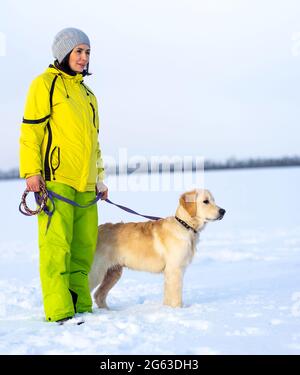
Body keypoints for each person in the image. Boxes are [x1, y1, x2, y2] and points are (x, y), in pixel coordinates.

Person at [19, 27, 108, 324]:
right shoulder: (44, 85)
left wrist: (99, 178)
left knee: (83, 249)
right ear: (64, 53)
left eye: (87, 52)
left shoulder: (88, 94)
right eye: (78, 51)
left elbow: (94, 143)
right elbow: (31, 132)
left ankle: (81, 306)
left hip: (85, 184)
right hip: (55, 181)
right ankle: (59, 312)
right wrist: (32, 172)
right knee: (57, 249)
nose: (83, 58)